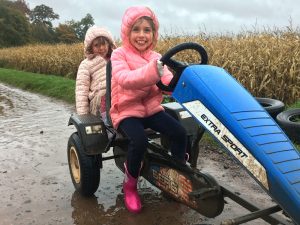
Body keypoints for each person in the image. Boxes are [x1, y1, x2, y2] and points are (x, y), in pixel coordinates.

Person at [110, 6, 187, 213]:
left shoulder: (157, 56)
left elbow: (167, 81)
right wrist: (153, 71)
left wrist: (179, 82)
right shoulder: (119, 55)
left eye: (147, 30)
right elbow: (125, 80)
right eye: (136, 29)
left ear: (154, 33)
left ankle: (176, 176)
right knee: (139, 141)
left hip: (151, 109)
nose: (142, 35)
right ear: (127, 32)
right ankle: (130, 184)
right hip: (126, 111)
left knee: (180, 133)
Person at [75, 26, 116, 118]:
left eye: (104, 44)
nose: (101, 48)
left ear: (109, 44)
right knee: (108, 127)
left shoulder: (117, 59)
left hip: (119, 100)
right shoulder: (86, 65)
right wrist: (83, 116)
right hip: (101, 105)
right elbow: (81, 91)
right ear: (90, 47)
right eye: (96, 45)